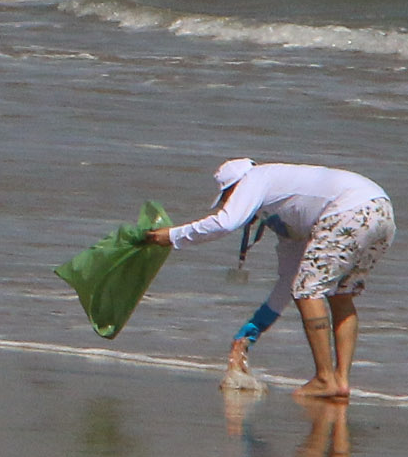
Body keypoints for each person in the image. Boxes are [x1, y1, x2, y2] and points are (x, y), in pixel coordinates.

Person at [147, 158, 394, 401]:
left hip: (348, 210)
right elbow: (288, 281)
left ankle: (324, 378)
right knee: (340, 294)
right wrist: (251, 332)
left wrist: (173, 235)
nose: (232, 204)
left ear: (234, 188)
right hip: (380, 210)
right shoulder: (289, 217)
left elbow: (226, 222)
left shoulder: (255, 178)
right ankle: (340, 381)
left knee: (308, 291)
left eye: (229, 198)